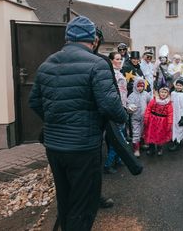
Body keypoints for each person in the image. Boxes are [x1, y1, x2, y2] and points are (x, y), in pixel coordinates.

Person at [29, 16, 128, 230]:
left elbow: (34, 102)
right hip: (83, 148)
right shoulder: (97, 64)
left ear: (67, 38)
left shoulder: (47, 63)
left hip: (54, 147)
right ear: (92, 40)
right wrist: (124, 116)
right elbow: (111, 107)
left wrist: (55, 121)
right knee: (83, 205)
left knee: (65, 200)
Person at [103, 51, 128, 174]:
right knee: (118, 139)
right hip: (116, 110)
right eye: (117, 59)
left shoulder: (119, 73)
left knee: (121, 135)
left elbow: (123, 92)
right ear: (111, 61)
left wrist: (127, 105)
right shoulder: (111, 74)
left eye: (120, 59)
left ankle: (118, 160)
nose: (120, 61)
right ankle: (108, 164)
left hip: (123, 108)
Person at [143, 85, 173, 156]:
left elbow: (170, 114)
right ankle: (151, 149)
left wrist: (169, 123)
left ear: (168, 94)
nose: (163, 94)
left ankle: (159, 148)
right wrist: (146, 118)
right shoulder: (154, 100)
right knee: (151, 134)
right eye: (162, 92)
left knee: (160, 135)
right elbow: (148, 109)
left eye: (165, 92)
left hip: (162, 122)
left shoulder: (168, 104)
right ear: (159, 93)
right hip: (152, 120)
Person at [127, 77, 151, 157]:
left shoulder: (146, 94)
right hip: (135, 118)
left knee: (143, 131)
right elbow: (128, 104)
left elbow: (150, 103)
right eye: (138, 86)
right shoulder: (132, 95)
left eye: (142, 86)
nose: (140, 88)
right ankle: (136, 149)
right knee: (136, 132)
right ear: (135, 86)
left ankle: (142, 144)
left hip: (144, 117)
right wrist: (130, 107)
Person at [169, 77, 183, 151]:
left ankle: (178, 141)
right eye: (177, 85)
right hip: (173, 113)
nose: (178, 87)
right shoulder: (173, 93)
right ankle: (174, 138)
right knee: (173, 127)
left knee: (179, 127)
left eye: (180, 85)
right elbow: (171, 102)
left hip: (180, 114)